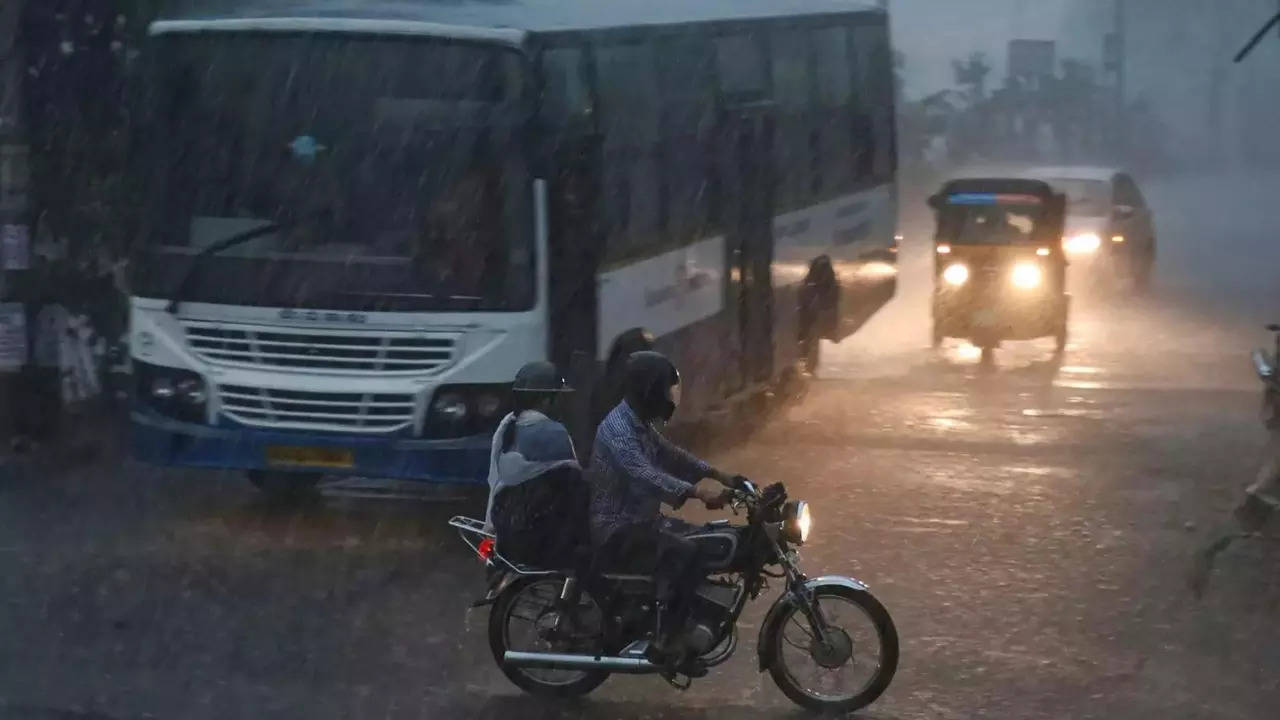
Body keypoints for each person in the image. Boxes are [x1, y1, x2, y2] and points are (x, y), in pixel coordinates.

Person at [587, 351, 738, 670]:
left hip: (641, 521)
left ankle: (684, 622)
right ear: (649, 391)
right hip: (616, 528)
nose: (670, 399)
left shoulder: (637, 422)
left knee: (701, 542)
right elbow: (643, 473)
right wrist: (696, 491)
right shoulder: (618, 430)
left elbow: (671, 455)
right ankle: (666, 641)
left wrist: (718, 474)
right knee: (684, 553)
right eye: (665, 391)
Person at [484, 361, 586, 567]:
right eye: (558, 396)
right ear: (547, 399)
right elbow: (575, 479)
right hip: (534, 529)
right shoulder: (552, 432)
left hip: (505, 519)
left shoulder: (508, 424)